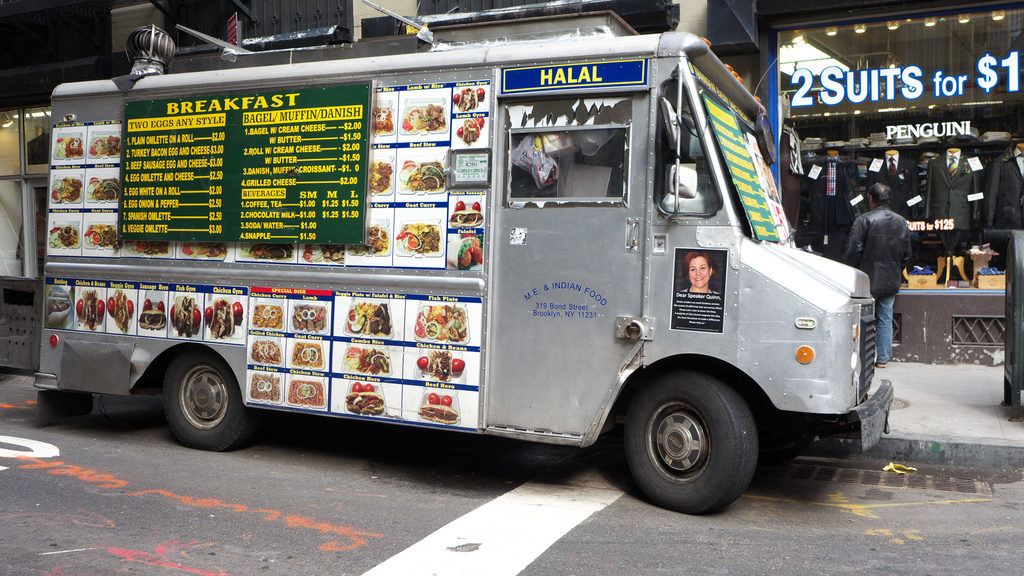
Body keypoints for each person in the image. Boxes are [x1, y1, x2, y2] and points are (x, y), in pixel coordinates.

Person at [842, 183, 912, 368]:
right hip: (890, 278)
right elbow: (907, 254)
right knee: (885, 318)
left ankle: (864, 359)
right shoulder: (901, 222)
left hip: (867, 279)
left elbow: (852, 250)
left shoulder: (864, 220)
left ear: (871, 199)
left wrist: (850, 270)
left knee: (863, 320)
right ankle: (882, 359)